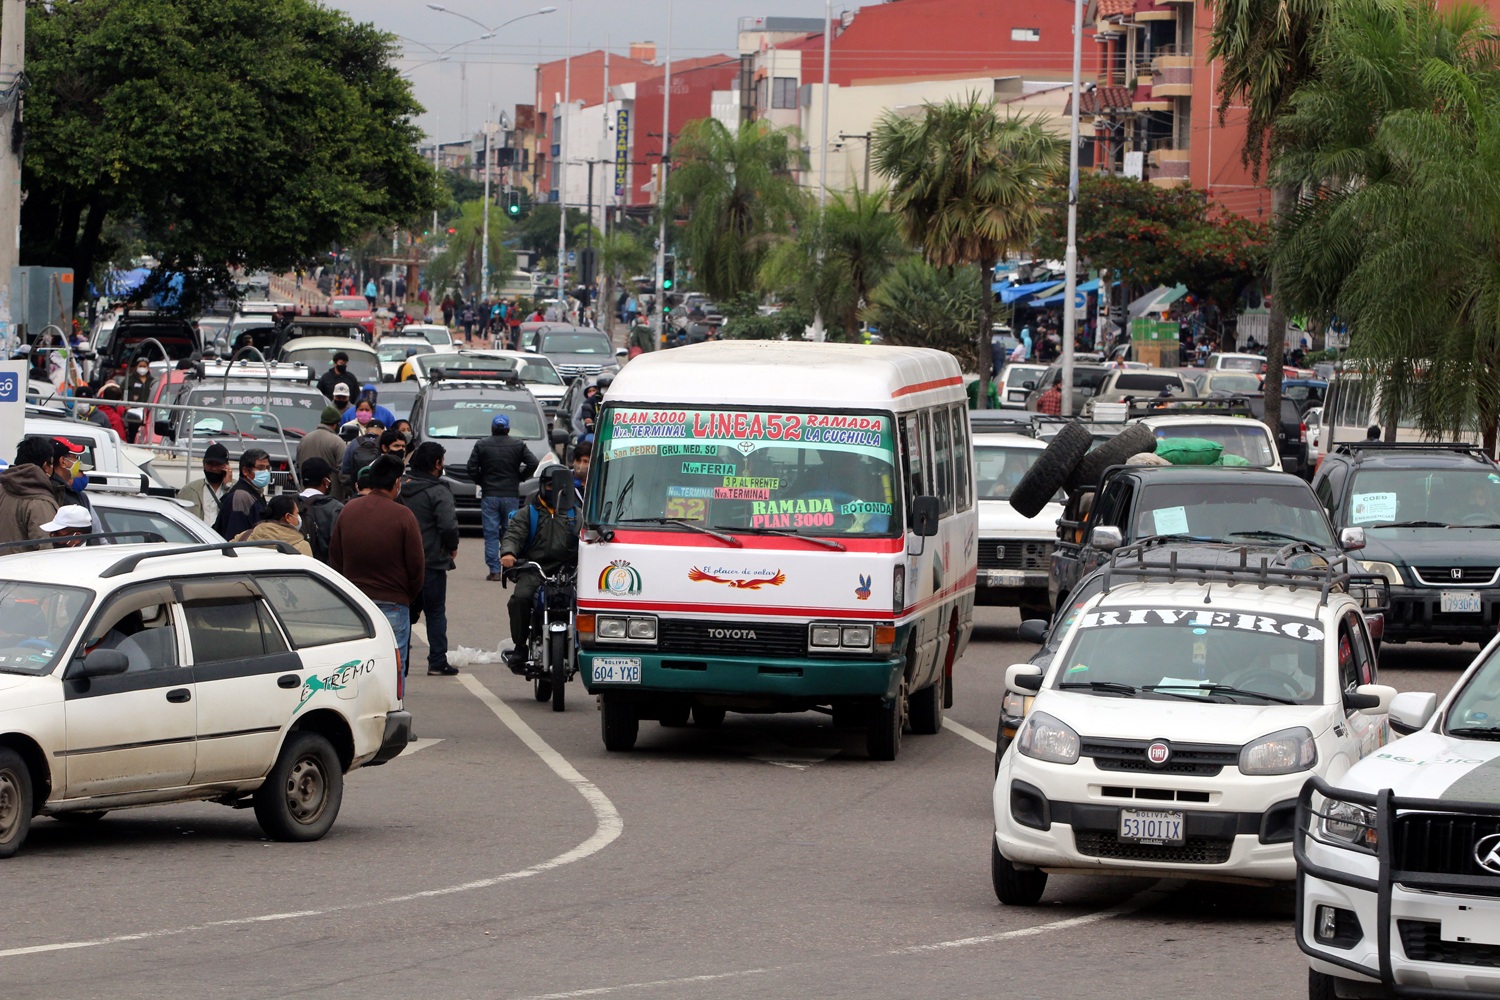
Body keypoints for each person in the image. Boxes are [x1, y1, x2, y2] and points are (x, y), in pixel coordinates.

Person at [329, 455, 424, 674]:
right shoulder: (404, 515)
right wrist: (406, 596)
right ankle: (392, 707)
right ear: (397, 482)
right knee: (392, 667)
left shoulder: (349, 510)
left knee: (356, 667)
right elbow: (417, 567)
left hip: (355, 603)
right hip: (393, 603)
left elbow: (335, 558)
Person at [499, 466, 578, 673]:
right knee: (520, 599)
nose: (555, 491)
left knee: (586, 602)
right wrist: (509, 553)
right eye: (551, 486)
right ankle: (520, 646)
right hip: (535, 569)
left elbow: (589, 537)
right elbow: (513, 534)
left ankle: (582, 645)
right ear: (542, 486)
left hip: (568, 571)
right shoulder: (529, 513)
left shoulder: (577, 514)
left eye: (560, 486)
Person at [401, 442, 460, 676]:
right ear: (437, 464)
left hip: (403, 561)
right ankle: (437, 660)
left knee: (403, 611)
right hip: (432, 562)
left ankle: (401, 661)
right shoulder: (438, 491)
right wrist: (452, 547)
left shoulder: (401, 488)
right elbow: (448, 525)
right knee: (435, 612)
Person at [468, 413, 538, 581]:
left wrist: (481, 481)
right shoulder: (518, 445)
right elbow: (533, 463)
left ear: (492, 428)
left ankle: (494, 570)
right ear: (508, 429)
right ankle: (509, 566)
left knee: (491, 533)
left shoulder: (482, 444)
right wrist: (520, 477)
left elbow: (471, 468)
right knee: (510, 532)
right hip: (510, 494)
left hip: (489, 494)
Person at [0, 438, 62, 546]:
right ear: (45, 466)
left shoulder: (2, 488)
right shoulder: (40, 502)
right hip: (24, 563)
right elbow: (45, 548)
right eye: (51, 464)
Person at [212, 449, 271, 539]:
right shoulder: (241, 497)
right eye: (260, 468)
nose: (266, 472)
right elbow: (236, 536)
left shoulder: (255, 492)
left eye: (267, 468)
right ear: (245, 471)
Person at [297, 457, 344, 562]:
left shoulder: (289, 503)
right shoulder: (335, 508)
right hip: (322, 571)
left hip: (293, 568)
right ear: (325, 481)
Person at [234, 494, 312, 556]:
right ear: (288, 517)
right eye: (297, 513)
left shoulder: (243, 537)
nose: (299, 518)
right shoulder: (302, 547)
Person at [295, 406, 348, 494]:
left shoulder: (304, 440)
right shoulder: (338, 442)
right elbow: (344, 473)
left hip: (305, 497)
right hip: (331, 497)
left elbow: (297, 466)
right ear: (335, 424)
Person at [178, 442, 232, 524]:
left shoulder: (236, 489)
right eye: (210, 464)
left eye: (218, 465)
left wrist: (228, 486)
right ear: (204, 464)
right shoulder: (189, 490)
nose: (214, 468)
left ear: (227, 466)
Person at [340, 410, 385, 495]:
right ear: (382, 432)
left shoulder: (354, 442)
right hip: (377, 490)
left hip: (357, 489)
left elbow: (345, 469)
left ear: (365, 431)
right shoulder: (384, 444)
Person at [121, 358, 153, 443]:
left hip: (147, 412)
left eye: (144, 366)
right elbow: (122, 391)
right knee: (132, 432)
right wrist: (126, 405)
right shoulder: (130, 379)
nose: (142, 368)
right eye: (140, 366)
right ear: (136, 367)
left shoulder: (152, 381)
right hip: (132, 412)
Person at [571, 439, 592, 504]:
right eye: (578, 460)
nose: (581, 465)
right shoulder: (566, 482)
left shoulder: (599, 482)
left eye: (585, 461)